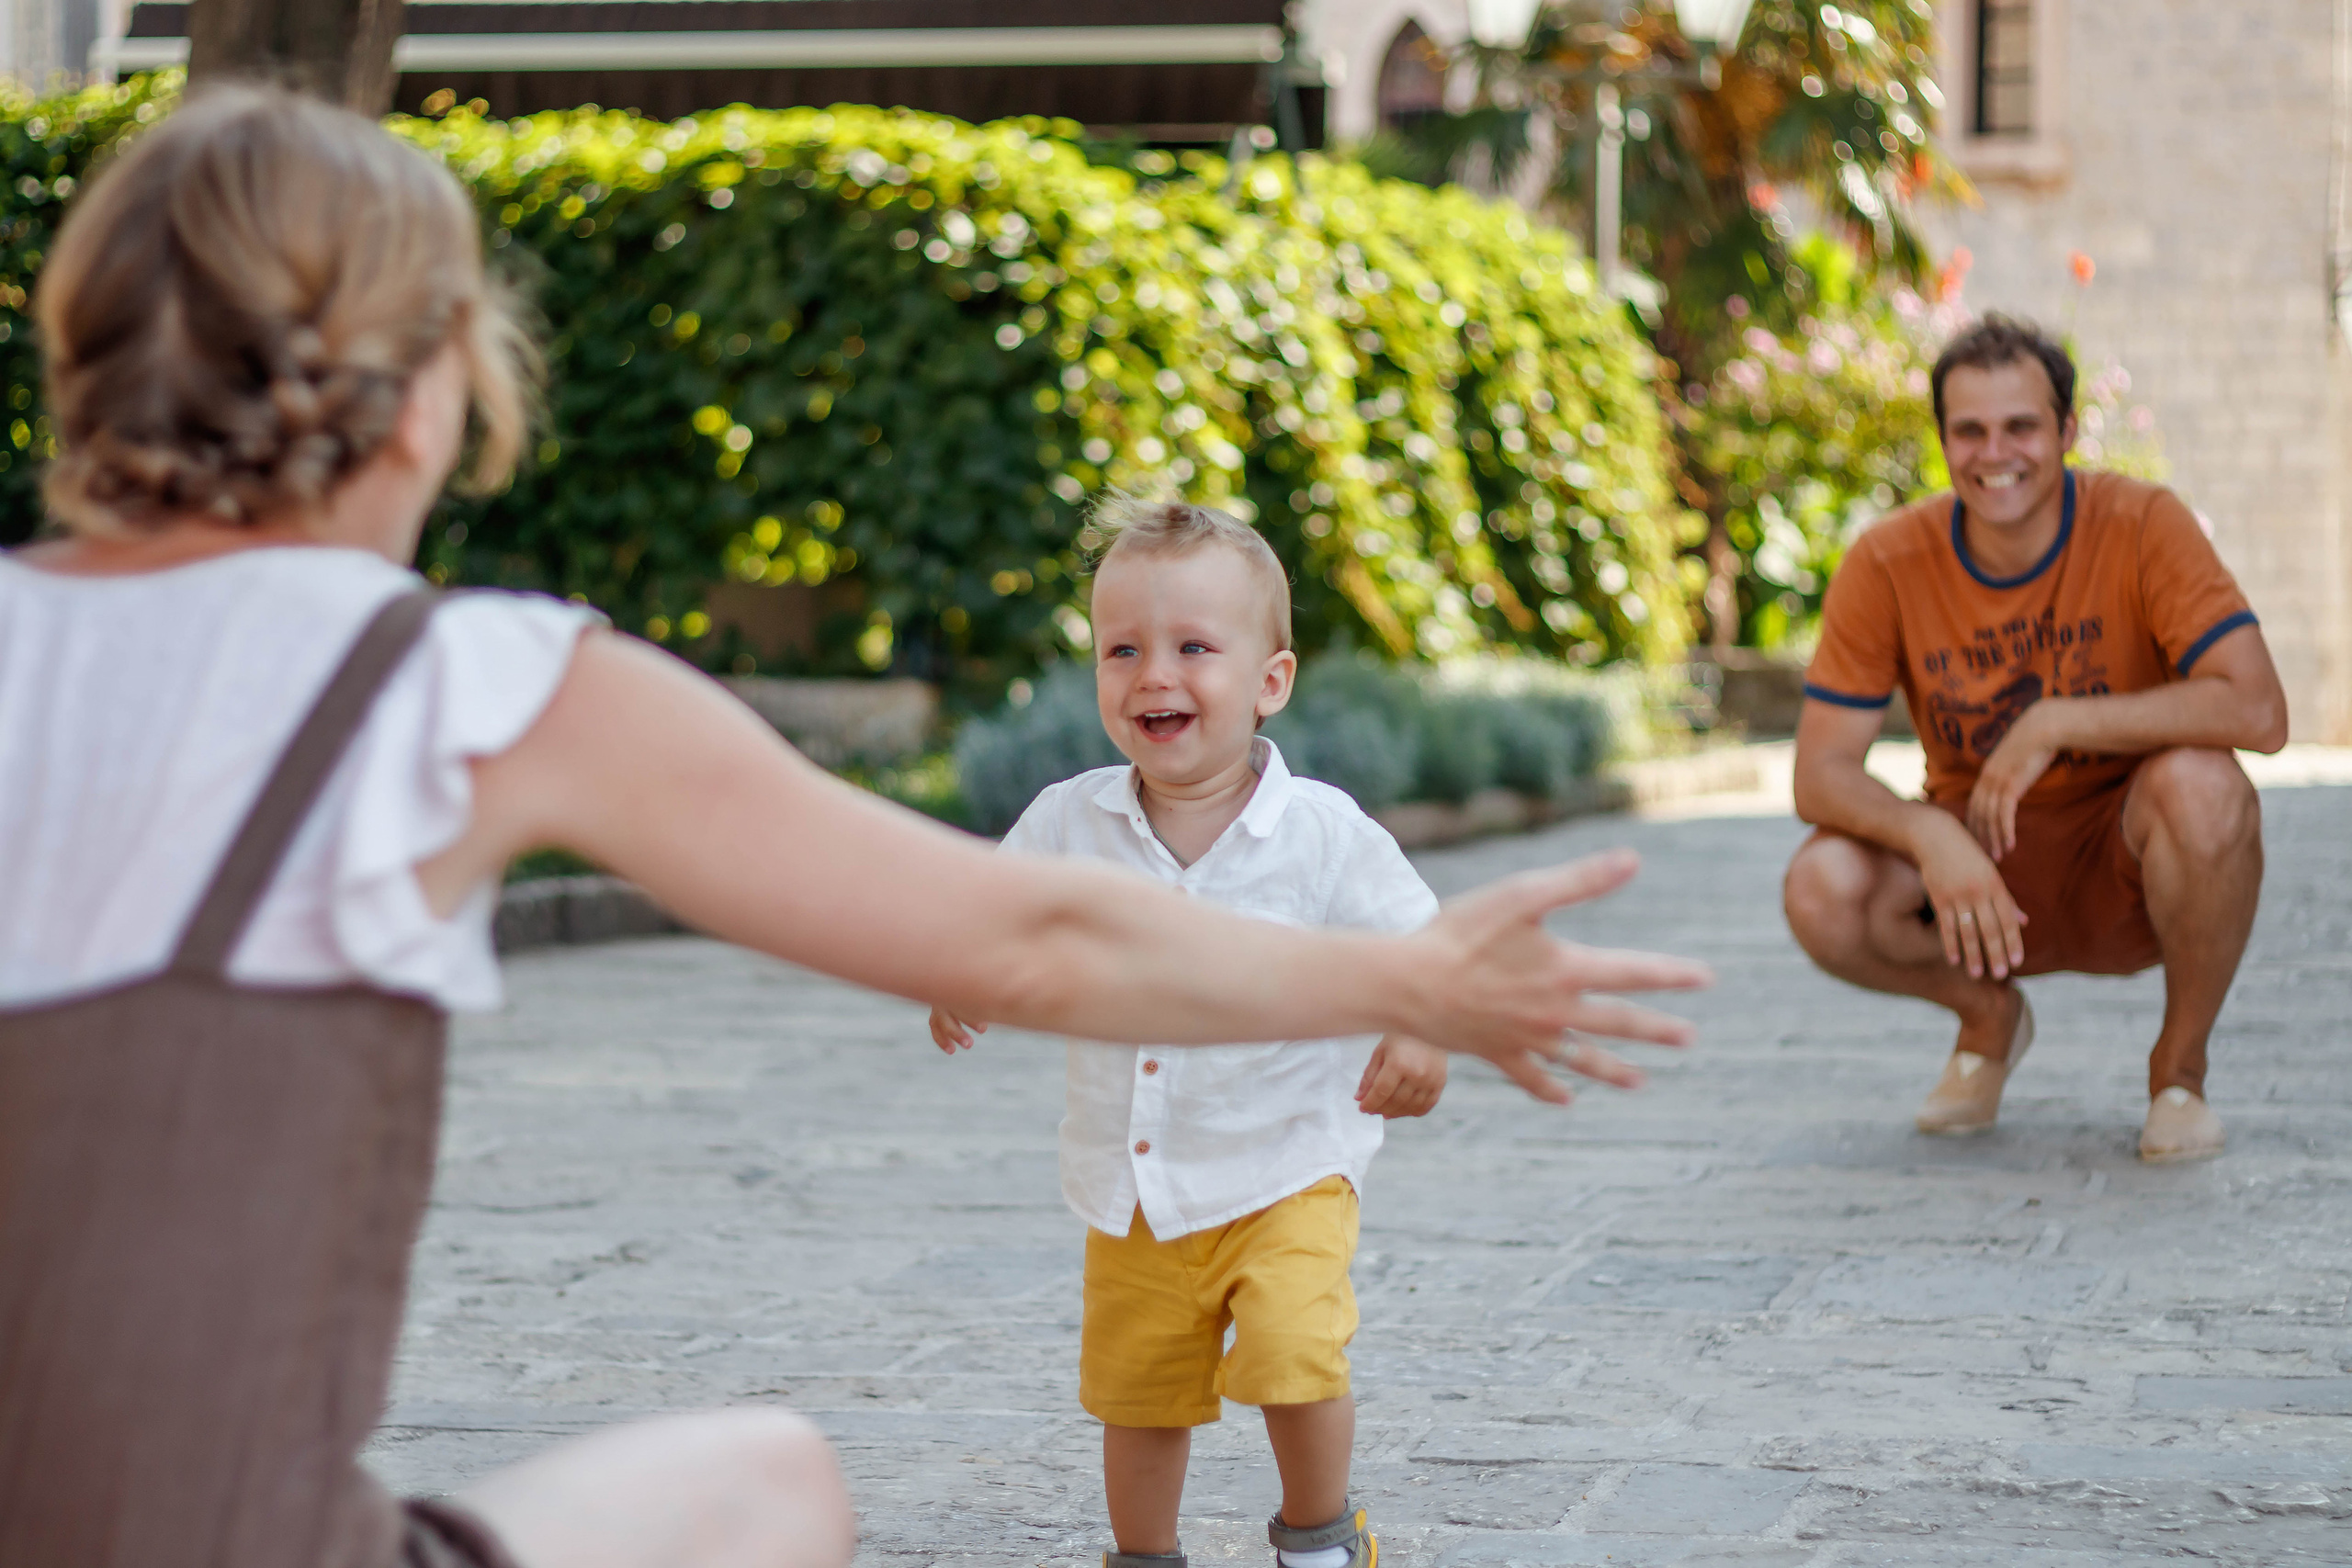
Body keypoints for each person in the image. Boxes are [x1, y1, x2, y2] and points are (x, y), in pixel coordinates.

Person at [0, 87, 1712, 1568]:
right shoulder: (468, 685)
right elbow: (1033, 932)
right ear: (438, 382)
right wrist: (1417, 981)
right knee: (769, 1483)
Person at [933, 499, 1559, 1568]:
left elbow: (1424, 950)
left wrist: (1423, 1031)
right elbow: (991, 917)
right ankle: (1144, 1554)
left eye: (1191, 648)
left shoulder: (1320, 834)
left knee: (1293, 1350)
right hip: (1133, 1184)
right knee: (1139, 1395)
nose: (1152, 675)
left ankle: (1317, 1533)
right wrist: (961, 973)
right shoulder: (1065, 823)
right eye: (1121, 649)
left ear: (1270, 682)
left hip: (1289, 1163)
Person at [1781, 314, 2286, 1164]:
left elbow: (2259, 711)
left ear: (2066, 430)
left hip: (2127, 861)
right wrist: (1928, 833)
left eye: (2020, 425)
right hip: (1981, 872)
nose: (1994, 452)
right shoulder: (1888, 561)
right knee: (1819, 884)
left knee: (2208, 787)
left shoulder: (2141, 524)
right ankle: (1988, 1019)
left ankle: (2180, 1073)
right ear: (1943, 440)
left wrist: (2058, 720)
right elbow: (1818, 773)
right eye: (1969, 430)